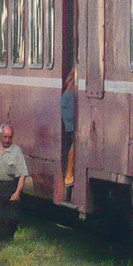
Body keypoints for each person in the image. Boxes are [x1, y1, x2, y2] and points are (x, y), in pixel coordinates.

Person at [0, 123, 30, 247]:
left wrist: (17, 192)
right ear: (0, 136)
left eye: (10, 137)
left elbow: (22, 175)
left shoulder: (16, 151)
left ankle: (9, 238)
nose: (7, 140)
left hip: (11, 187)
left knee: (12, 218)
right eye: (5, 137)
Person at [60, 70, 77, 200]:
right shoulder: (80, 65)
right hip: (70, 100)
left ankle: (69, 175)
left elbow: (67, 82)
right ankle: (69, 176)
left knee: (75, 140)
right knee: (76, 141)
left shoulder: (77, 66)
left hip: (67, 98)